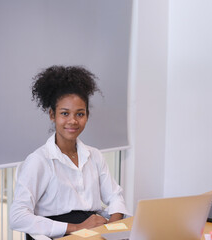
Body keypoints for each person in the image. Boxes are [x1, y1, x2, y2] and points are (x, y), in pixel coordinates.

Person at [9, 66, 129, 239]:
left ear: (87, 116)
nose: (72, 121)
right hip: (60, 233)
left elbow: (115, 196)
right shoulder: (39, 161)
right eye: (65, 113)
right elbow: (17, 217)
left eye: (80, 114)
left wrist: (111, 229)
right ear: (52, 115)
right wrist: (77, 227)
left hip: (93, 232)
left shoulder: (94, 156)